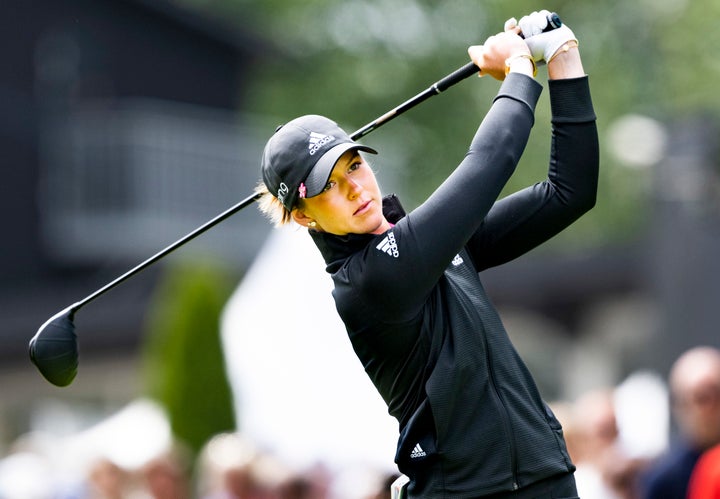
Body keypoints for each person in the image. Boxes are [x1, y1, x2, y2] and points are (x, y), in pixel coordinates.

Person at [256, 10, 597, 498]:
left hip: (546, 479)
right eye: (330, 186)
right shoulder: (369, 282)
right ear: (306, 217)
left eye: (353, 165)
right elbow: (488, 163)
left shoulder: (425, 247)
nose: (355, 188)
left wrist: (563, 57)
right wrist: (519, 66)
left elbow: (570, 192)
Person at [640, 346, 720, 499]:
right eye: (702, 398)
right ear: (678, 406)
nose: (711, 408)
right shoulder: (665, 481)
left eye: (716, 394)